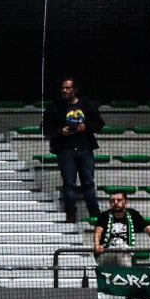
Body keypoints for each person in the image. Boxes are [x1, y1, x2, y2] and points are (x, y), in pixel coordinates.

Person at [44, 77, 105, 222]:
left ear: (75, 89)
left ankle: (95, 216)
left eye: (68, 88)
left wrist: (86, 127)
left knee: (88, 183)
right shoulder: (54, 108)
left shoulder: (87, 105)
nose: (65, 91)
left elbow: (99, 124)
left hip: (85, 148)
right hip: (65, 150)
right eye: (63, 88)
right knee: (69, 184)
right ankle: (70, 216)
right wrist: (61, 131)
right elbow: (46, 129)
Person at [95, 189, 150, 268]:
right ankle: (126, 273)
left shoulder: (133, 214)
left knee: (123, 248)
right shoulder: (104, 216)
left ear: (126, 202)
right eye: (112, 200)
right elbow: (98, 232)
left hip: (125, 254)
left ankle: (125, 273)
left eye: (119, 200)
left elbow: (149, 230)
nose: (116, 203)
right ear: (109, 203)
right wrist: (97, 245)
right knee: (120, 246)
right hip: (106, 255)